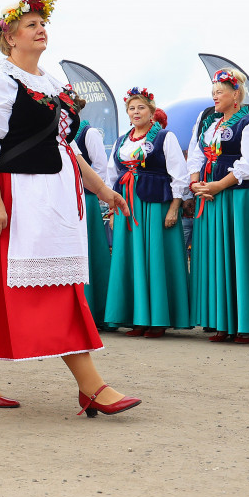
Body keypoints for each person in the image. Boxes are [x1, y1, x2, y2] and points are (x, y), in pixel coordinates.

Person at [0, 0, 139, 415]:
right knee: (51, 291)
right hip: (21, 197)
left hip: (57, 196)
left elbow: (67, 148)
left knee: (39, 286)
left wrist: (102, 190)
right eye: (31, 24)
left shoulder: (52, 84)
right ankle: (91, 386)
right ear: (9, 37)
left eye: (43, 22)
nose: (42, 28)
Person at [187, 69, 249, 343]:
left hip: (236, 196)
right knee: (216, 256)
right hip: (210, 197)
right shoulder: (209, 123)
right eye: (213, 93)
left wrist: (218, 185)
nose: (215, 97)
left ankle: (245, 323)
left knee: (239, 255)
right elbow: (196, 154)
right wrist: (196, 183)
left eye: (220, 92)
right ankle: (220, 321)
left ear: (236, 94)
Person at [104, 88, 191, 337]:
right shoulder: (122, 141)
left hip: (154, 205)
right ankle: (137, 318)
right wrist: (112, 210)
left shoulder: (165, 137)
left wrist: (174, 207)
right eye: (132, 108)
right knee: (130, 258)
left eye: (141, 107)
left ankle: (158, 319)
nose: (136, 112)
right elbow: (112, 176)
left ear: (151, 111)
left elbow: (179, 174)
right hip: (127, 207)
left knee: (154, 258)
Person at [72, 96, 113, 325]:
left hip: (84, 201)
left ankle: (94, 310)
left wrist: (96, 196)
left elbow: (99, 168)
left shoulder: (88, 133)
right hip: (64, 201)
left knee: (89, 255)